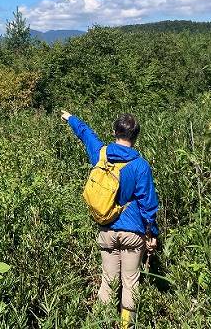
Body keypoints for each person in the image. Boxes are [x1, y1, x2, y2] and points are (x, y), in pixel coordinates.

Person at [60, 110, 159, 328]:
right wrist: (152, 234)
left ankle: (100, 323)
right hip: (133, 233)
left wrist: (71, 119)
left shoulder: (101, 154)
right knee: (130, 282)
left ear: (114, 132)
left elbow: (86, 134)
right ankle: (126, 326)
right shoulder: (140, 165)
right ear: (136, 136)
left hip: (106, 230)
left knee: (108, 282)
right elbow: (148, 205)